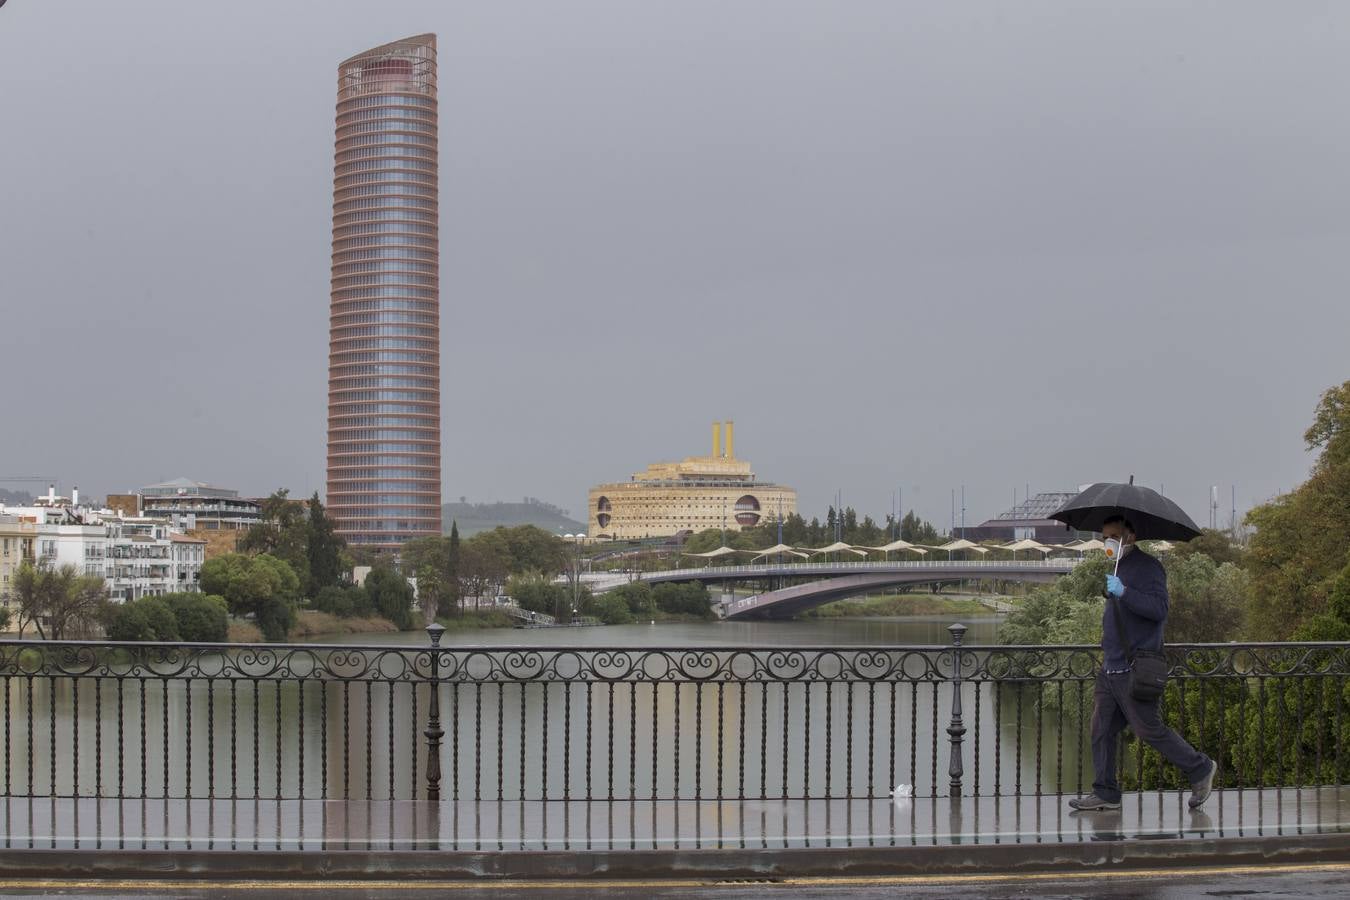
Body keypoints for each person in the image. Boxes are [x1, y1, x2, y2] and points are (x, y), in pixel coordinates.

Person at [1068, 514, 1216, 811]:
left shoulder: (1149, 568)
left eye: (1112, 536)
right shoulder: (1119, 566)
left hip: (1133, 667)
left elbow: (1158, 609)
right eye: (1104, 536)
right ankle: (1106, 791)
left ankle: (1200, 768)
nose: (1107, 542)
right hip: (1111, 667)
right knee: (1101, 729)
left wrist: (1124, 592)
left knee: (1149, 729)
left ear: (1130, 537)